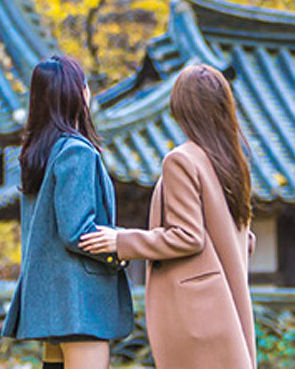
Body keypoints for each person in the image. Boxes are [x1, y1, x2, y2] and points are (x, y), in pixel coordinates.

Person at [80, 64, 256, 369]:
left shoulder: (181, 160)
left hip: (198, 315)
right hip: (228, 305)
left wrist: (120, 240)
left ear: (180, 109)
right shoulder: (232, 162)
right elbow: (245, 238)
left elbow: (188, 236)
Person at [3, 55, 134, 369]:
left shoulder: (39, 153)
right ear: (75, 93)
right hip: (80, 301)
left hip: (53, 298)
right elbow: (77, 230)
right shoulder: (76, 151)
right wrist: (120, 248)